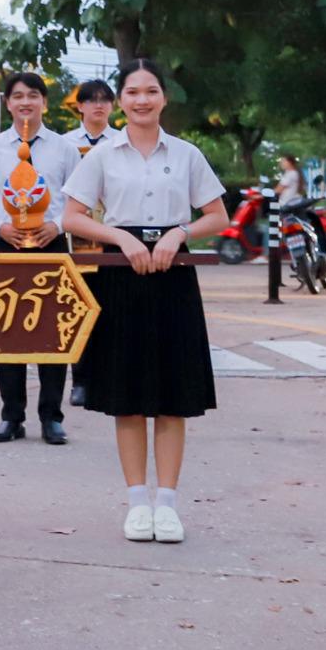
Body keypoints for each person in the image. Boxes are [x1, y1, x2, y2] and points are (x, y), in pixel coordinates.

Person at [60, 58, 230, 544]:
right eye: (132, 92)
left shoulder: (186, 153)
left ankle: (168, 506)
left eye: (150, 91)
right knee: (129, 398)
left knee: (173, 397)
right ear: (120, 100)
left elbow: (217, 215)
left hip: (173, 275)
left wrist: (179, 233)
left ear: (164, 98)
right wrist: (120, 237)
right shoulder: (102, 155)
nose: (141, 100)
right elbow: (72, 216)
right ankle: (137, 504)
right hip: (123, 274)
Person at [0, 72, 79, 444]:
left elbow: (82, 201)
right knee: (7, 331)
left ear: (44, 102)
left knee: (52, 332)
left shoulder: (64, 149)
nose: (25, 102)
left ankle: (52, 417)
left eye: (33, 95)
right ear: (8, 104)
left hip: (51, 247)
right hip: (6, 247)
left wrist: (59, 224)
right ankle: (11, 416)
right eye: (18, 96)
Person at [67, 79, 117, 406]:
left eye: (104, 100)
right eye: (92, 100)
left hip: (115, 233)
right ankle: (81, 380)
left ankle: (111, 377)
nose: (98, 105)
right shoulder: (65, 144)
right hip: (77, 237)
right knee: (78, 308)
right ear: (80, 106)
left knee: (114, 307)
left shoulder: (123, 142)